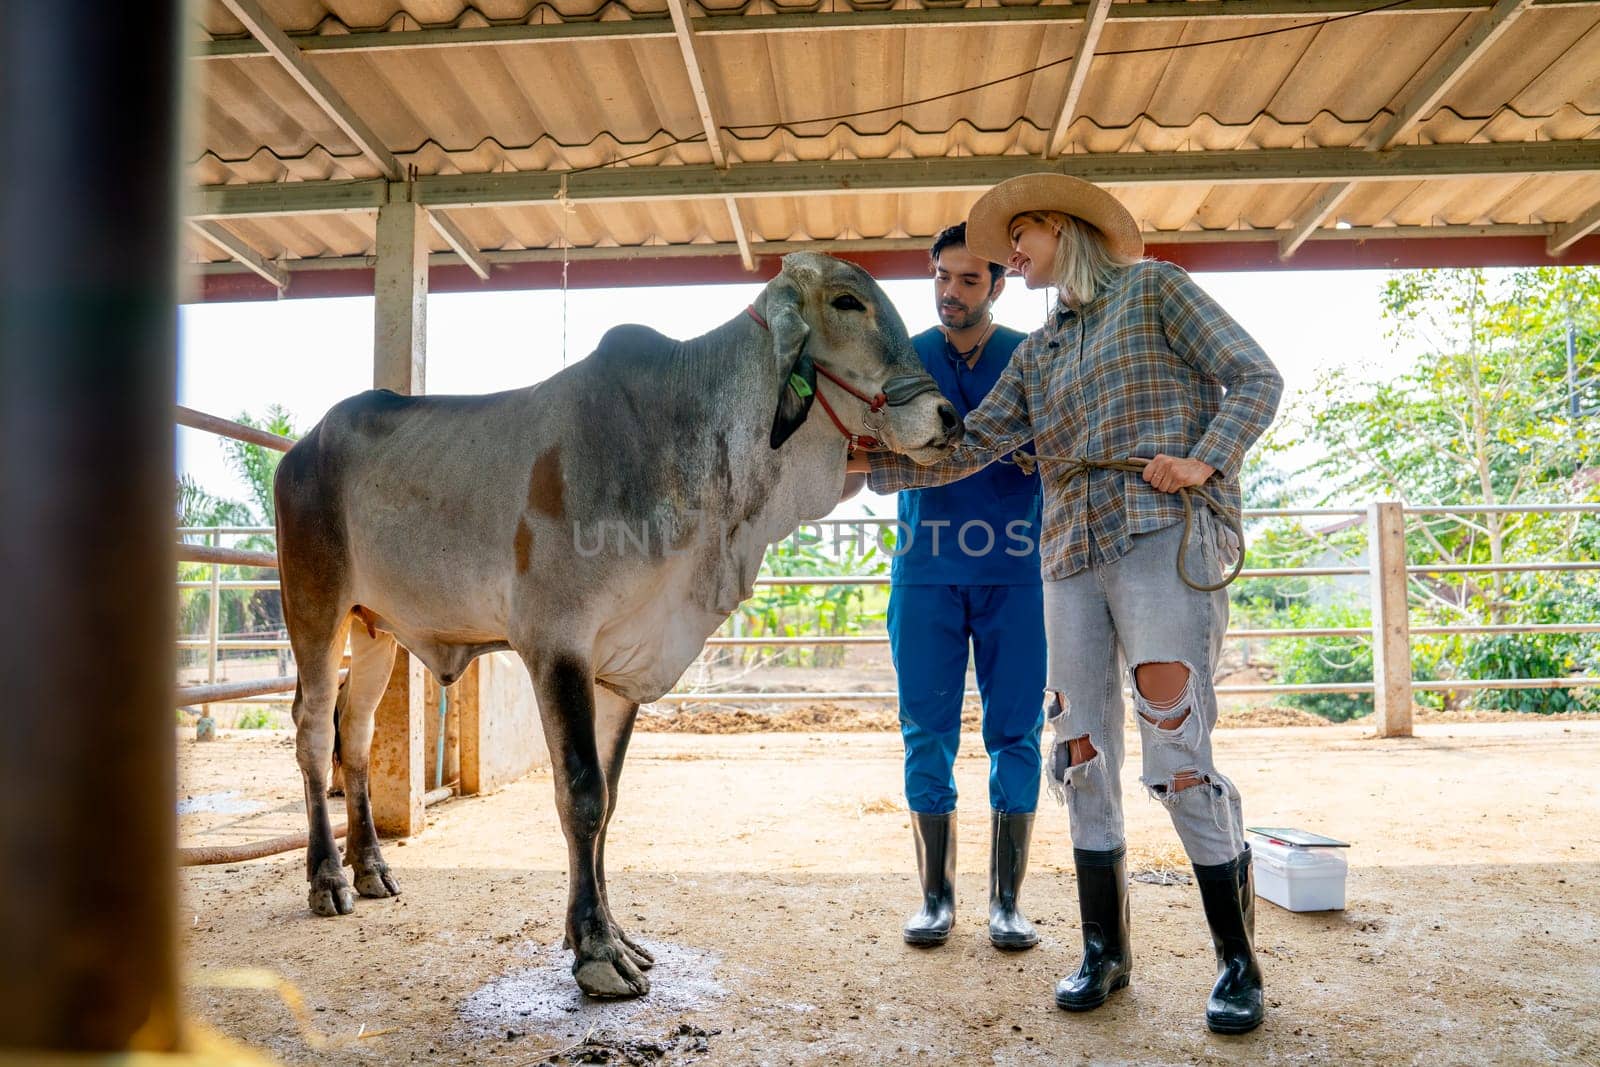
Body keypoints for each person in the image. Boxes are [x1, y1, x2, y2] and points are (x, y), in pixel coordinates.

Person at [850, 175, 1283, 1034]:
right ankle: (1105, 951)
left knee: (1175, 741)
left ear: (1061, 228)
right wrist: (852, 469)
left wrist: (1205, 458)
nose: (1006, 254)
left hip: (1160, 531)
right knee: (1079, 750)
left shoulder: (1156, 289)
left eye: (1017, 238)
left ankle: (1237, 962)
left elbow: (1255, 377)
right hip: (1067, 556)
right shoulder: (1040, 351)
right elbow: (971, 447)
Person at [886, 223, 1047, 952]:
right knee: (927, 731)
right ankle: (935, 896)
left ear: (999, 285)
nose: (951, 293)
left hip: (1017, 572)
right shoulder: (904, 358)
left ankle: (1007, 902)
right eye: (942, 278)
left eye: (968, 281)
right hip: (925, 572)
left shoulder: (1032, 354)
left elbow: (1063, 439)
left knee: (1016, 732)